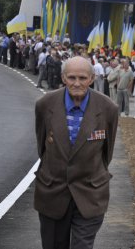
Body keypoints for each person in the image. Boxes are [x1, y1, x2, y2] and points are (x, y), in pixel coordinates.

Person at [34, 56, 118, 249]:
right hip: (52, 191)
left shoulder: (108, 109)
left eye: (82, 78)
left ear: (91, 78)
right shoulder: (45, 104)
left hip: (90, 193)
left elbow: (107, 152)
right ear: (63, 78)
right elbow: (42, 146)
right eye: (71, 78)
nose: (77, 83)